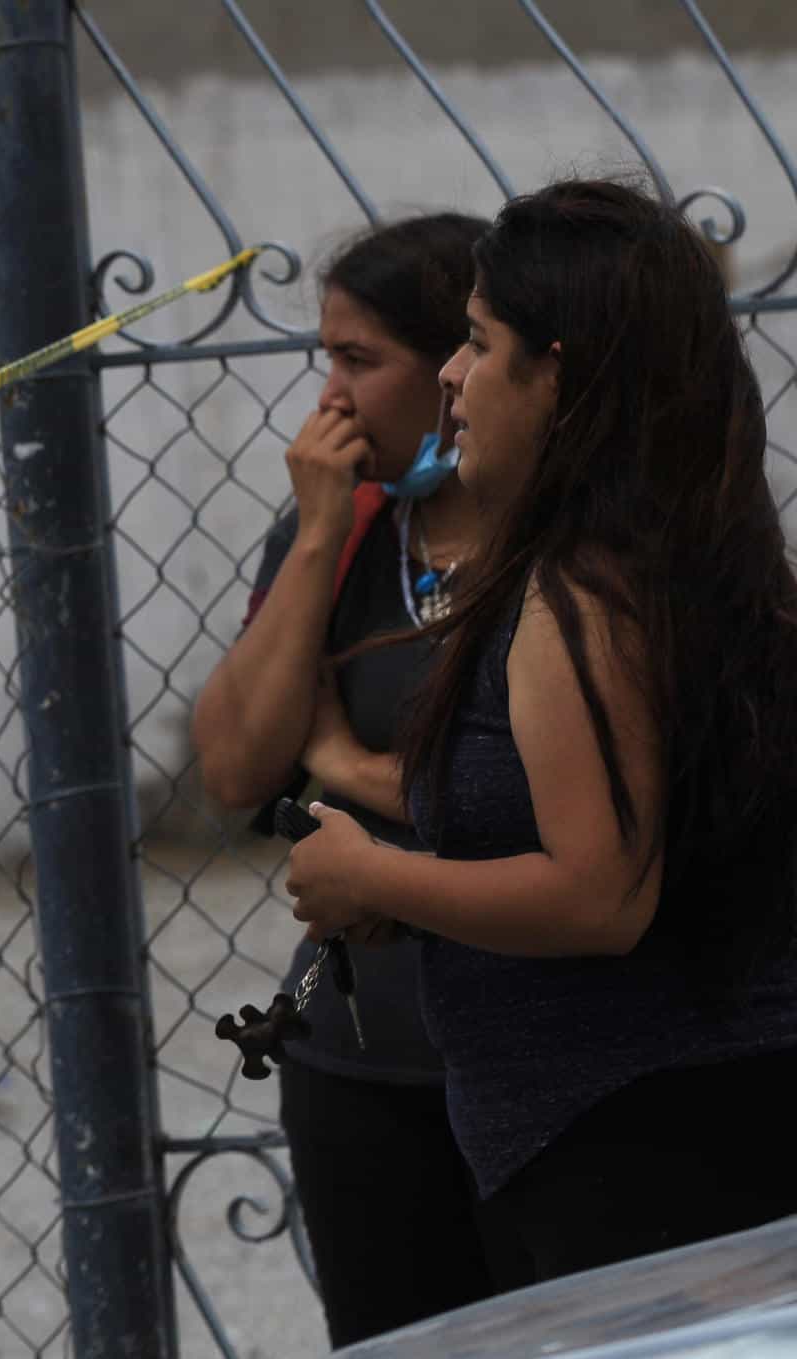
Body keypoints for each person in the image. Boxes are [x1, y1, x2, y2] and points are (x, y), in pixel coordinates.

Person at [285, 178, 797, 1292]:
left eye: (477, 343)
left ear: (558, 372)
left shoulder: (585, 595)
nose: (456, 378)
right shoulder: (688, 556)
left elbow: (597, 896)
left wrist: (378, 871)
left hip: (637, 1156)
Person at [191, 214, 496, 1345]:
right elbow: (232, 762)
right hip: (363, 1053)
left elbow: (537, 797)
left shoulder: (565, 544)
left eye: (361, 362)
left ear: (461, 364)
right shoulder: (356, 525)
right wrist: (321, 534)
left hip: (536, 1049)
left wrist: (347, 762)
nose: (331, 398)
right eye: (326, 359)